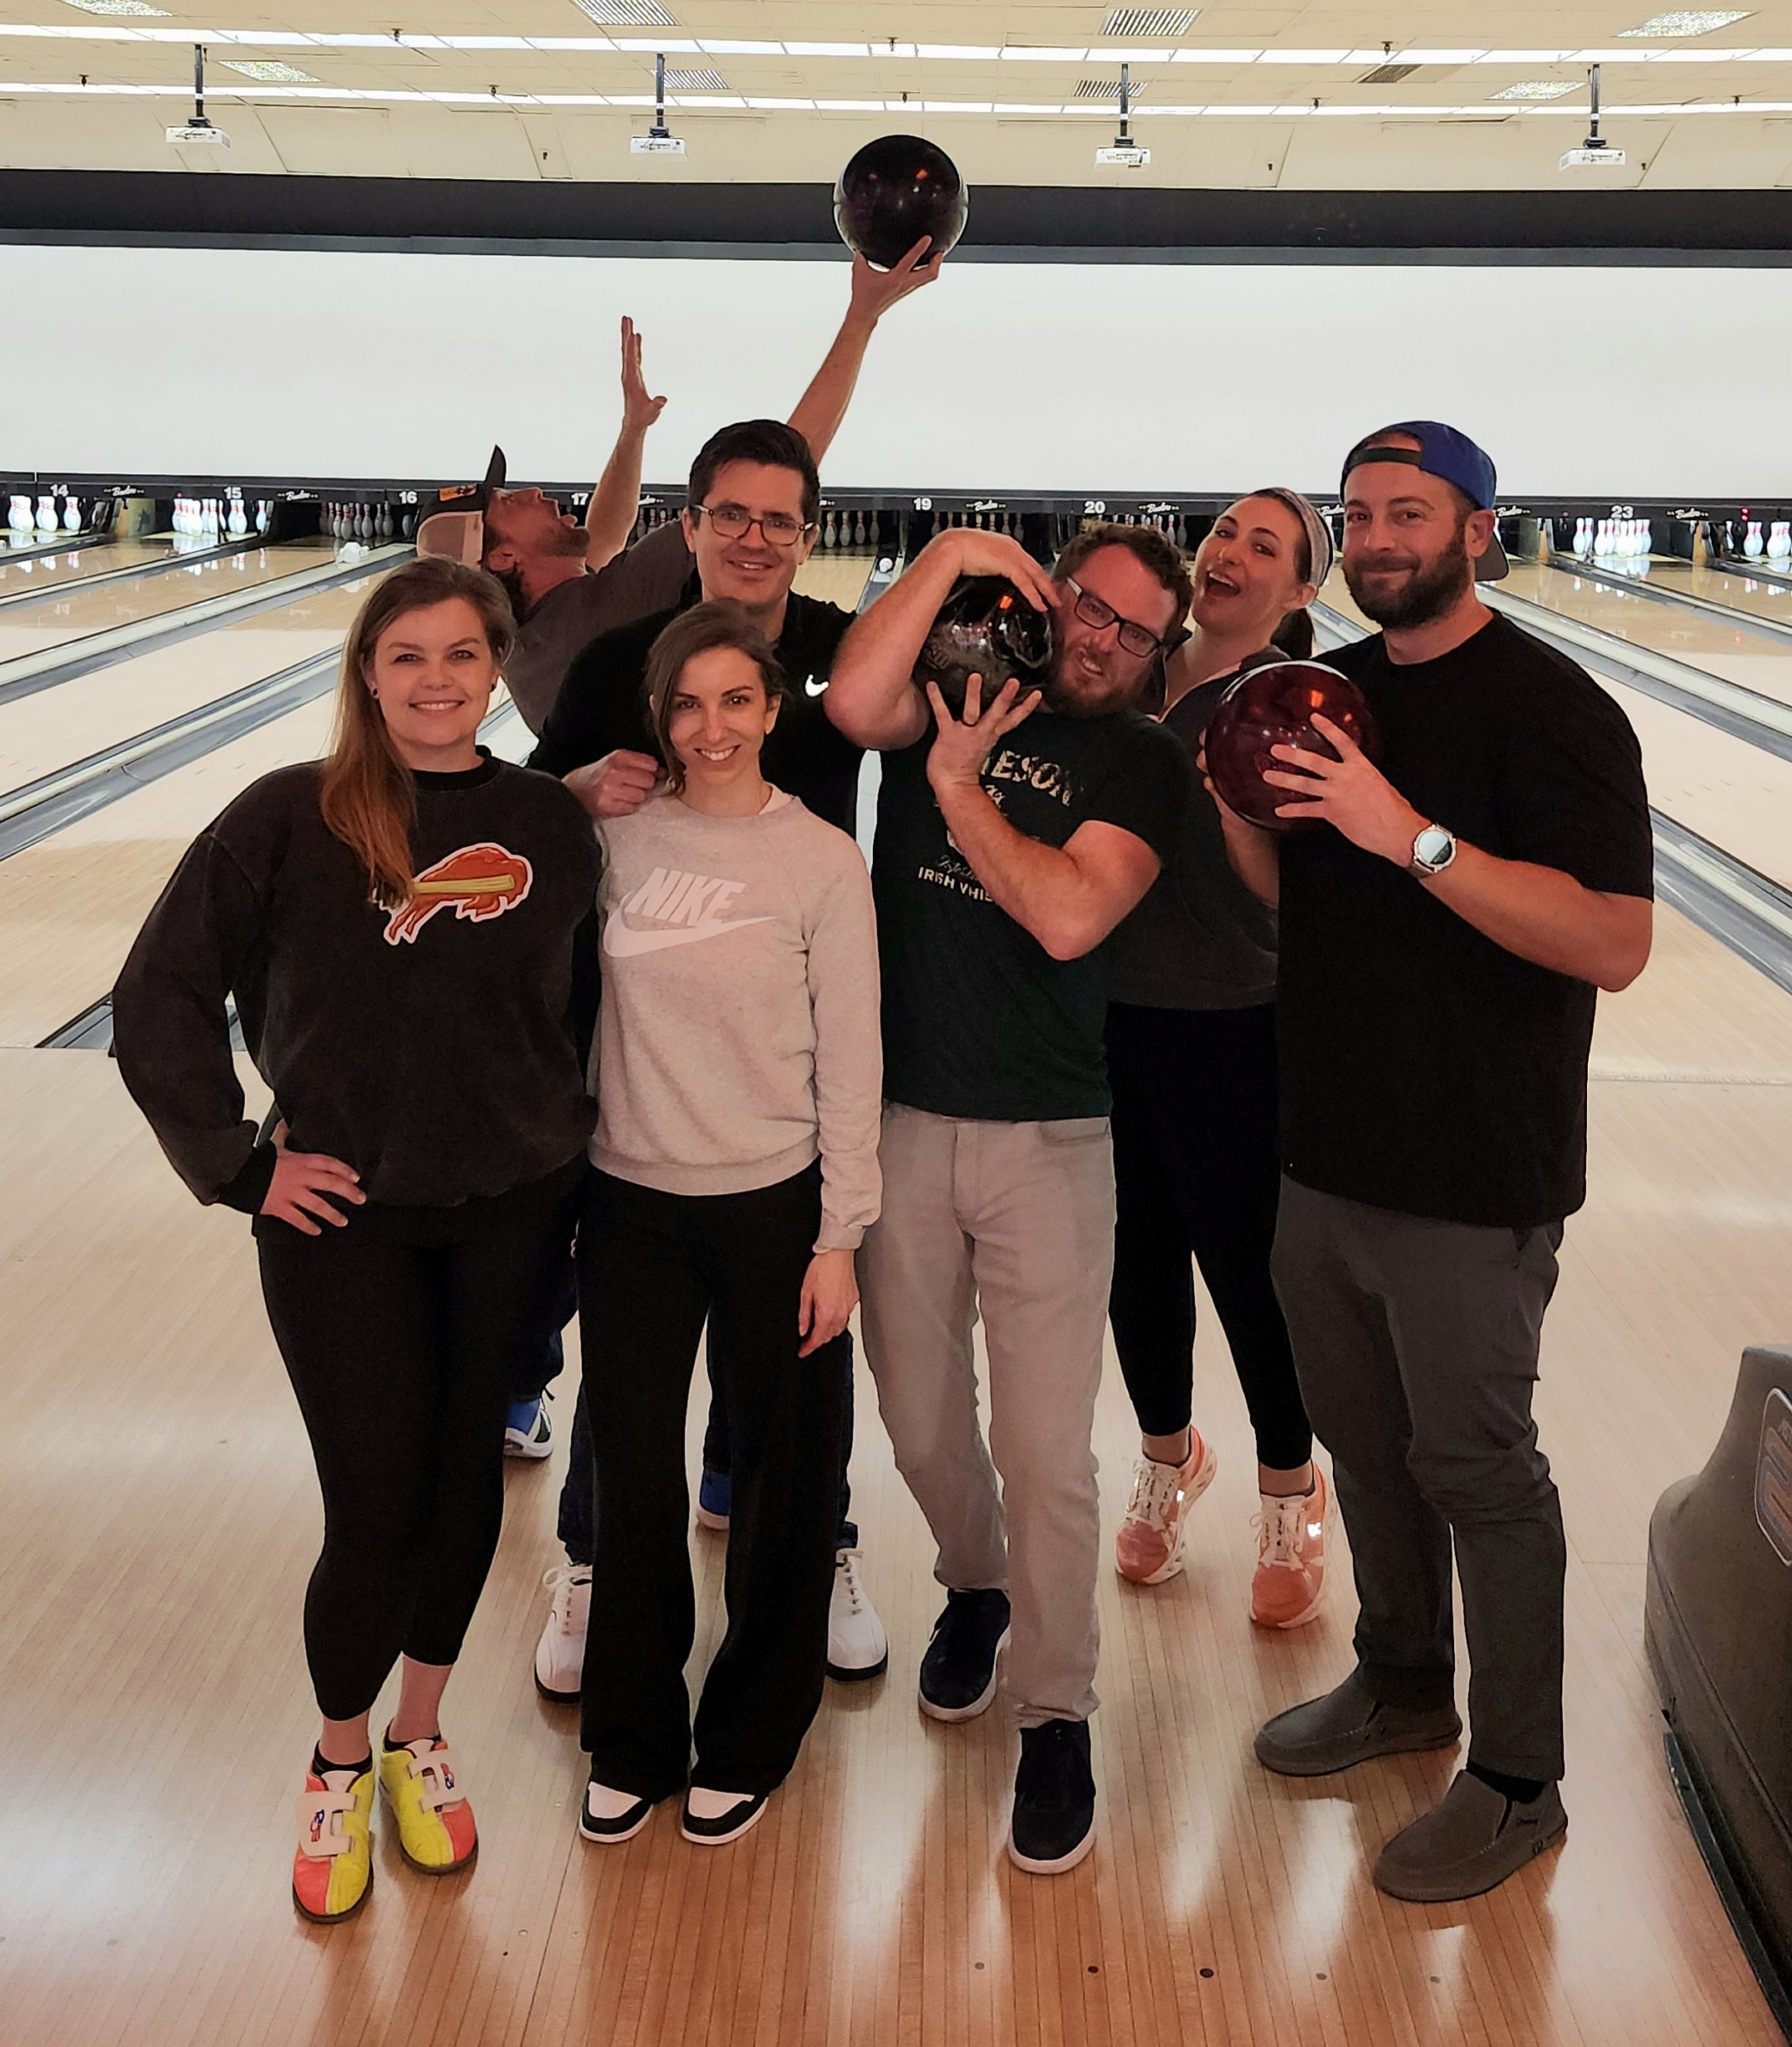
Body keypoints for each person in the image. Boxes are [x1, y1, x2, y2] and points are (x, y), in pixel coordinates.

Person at [110, 558, 600, 1923]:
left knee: (462, 1485)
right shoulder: (288, 815)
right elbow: (157, 995)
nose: (439, 680)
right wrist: (239, 1165)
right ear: (368, 675)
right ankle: (337, 1757)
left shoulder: (549, 821)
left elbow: (591, 1008)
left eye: (463, 654)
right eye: (409, 657)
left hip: (514, 1207)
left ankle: (418, 1737)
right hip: (345, 1222)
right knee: (375, 1504)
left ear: (496, 668)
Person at [1213, 423, 1653, 1903]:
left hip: (1473, 1175)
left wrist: (1412, 835)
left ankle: (1521, 1780)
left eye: (1410, 511)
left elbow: (1614, 942)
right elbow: (1301, 896)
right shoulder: (1330, 696)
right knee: (1366, 1443)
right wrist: (1241, 810)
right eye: (1359, 515)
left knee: (1478, 1467)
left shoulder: (1557, 709)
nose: (1379, 538)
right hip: (1323, 1155)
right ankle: (1404, 1684)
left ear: (1476, 530)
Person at [826, 521, 1191, 1875]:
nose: (1100, 637)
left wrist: (959, 789)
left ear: (1158, 657)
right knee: (922, 1427)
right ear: (1049, 594)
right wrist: (952, 551)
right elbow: (851, 704)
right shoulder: (963, 679)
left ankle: (1055, 1713)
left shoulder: (1144, 762)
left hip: (1050, 1141)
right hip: (902, 1123)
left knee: (1045, 1453)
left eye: (1134, 630)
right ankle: (975, 1584)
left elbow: (1068, 915)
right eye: (1086, 604)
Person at [529, 415, 889, 1698]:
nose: (752, 537)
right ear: (690, 523)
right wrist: (576, 790)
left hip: (780, 1071)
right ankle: (594, 1561)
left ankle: (811, 1538)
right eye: (728, 513)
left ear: (808, 534)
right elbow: (523, 821)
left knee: (789, 1365)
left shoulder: (843, 658)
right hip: (642, 1072)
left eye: (778, 519)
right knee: (630, 1378)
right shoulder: (620, 663)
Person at [575, 600, 881, 1849]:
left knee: (784, 1479)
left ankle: (753, 1731)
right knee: (634, 1478)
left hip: (776, 1205)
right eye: (689, 704)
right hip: (629, 1200)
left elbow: (852, 1059)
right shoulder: (615, 838)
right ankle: (631, 1735)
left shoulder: (820, 859)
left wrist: (840, 1236)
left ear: (772, 709)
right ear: (661, 715)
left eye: (737, 701)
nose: (713, 727)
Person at [1105, 490, 1331, 1623]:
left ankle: (1290, 1485)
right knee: (1134, 1261)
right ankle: (1167, 1458)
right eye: (1226, 532)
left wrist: (1237, 813)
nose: (1230, 553)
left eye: (1264, 545)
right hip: (1101, 1014)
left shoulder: (1297, 707)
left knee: (1246, 1268)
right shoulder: (1127, 668)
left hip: (1233, 1021)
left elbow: (1296, 903)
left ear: (1299, 590)